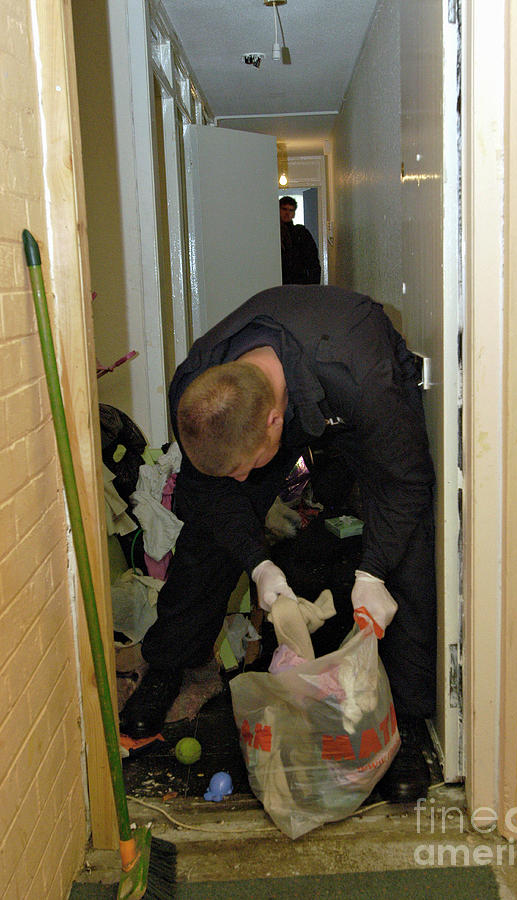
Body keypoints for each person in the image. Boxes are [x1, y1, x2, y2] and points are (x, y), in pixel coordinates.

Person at [119, 285, 436, 802]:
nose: (246, 477)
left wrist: (372, 571)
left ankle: (408, 718)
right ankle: (169, 664)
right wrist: (259, 564)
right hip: (289, 387)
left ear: (275, 423)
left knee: (407, 540)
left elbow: (407, 481)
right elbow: (216, 493)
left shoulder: (363, 376)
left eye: (250, 464)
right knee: (209, 532)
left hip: (350, 385)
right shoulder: (196, 391)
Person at [279, 196, 321, 284]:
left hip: (298, 280)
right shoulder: (272, 233)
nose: (287, 213)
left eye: (291, 210)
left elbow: (312, 260)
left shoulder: (301, 233)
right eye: (284, 209)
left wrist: (313, 285)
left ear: (294, 213)